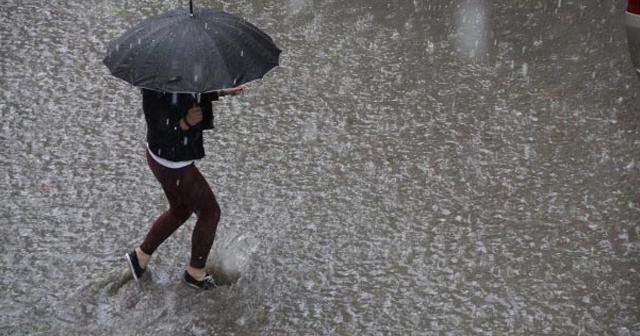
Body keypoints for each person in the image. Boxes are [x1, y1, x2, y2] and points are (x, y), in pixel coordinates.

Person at [125, 85, 244, 290]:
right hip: (173, 163)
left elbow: (189, 92)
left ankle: (140, 256)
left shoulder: (176, 75)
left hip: (161, 157)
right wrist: (185, 123)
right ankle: (195, 272)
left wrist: (221, 91)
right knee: (210, 212)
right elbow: (158, 123)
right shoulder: (156, 85)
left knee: (180, 210)